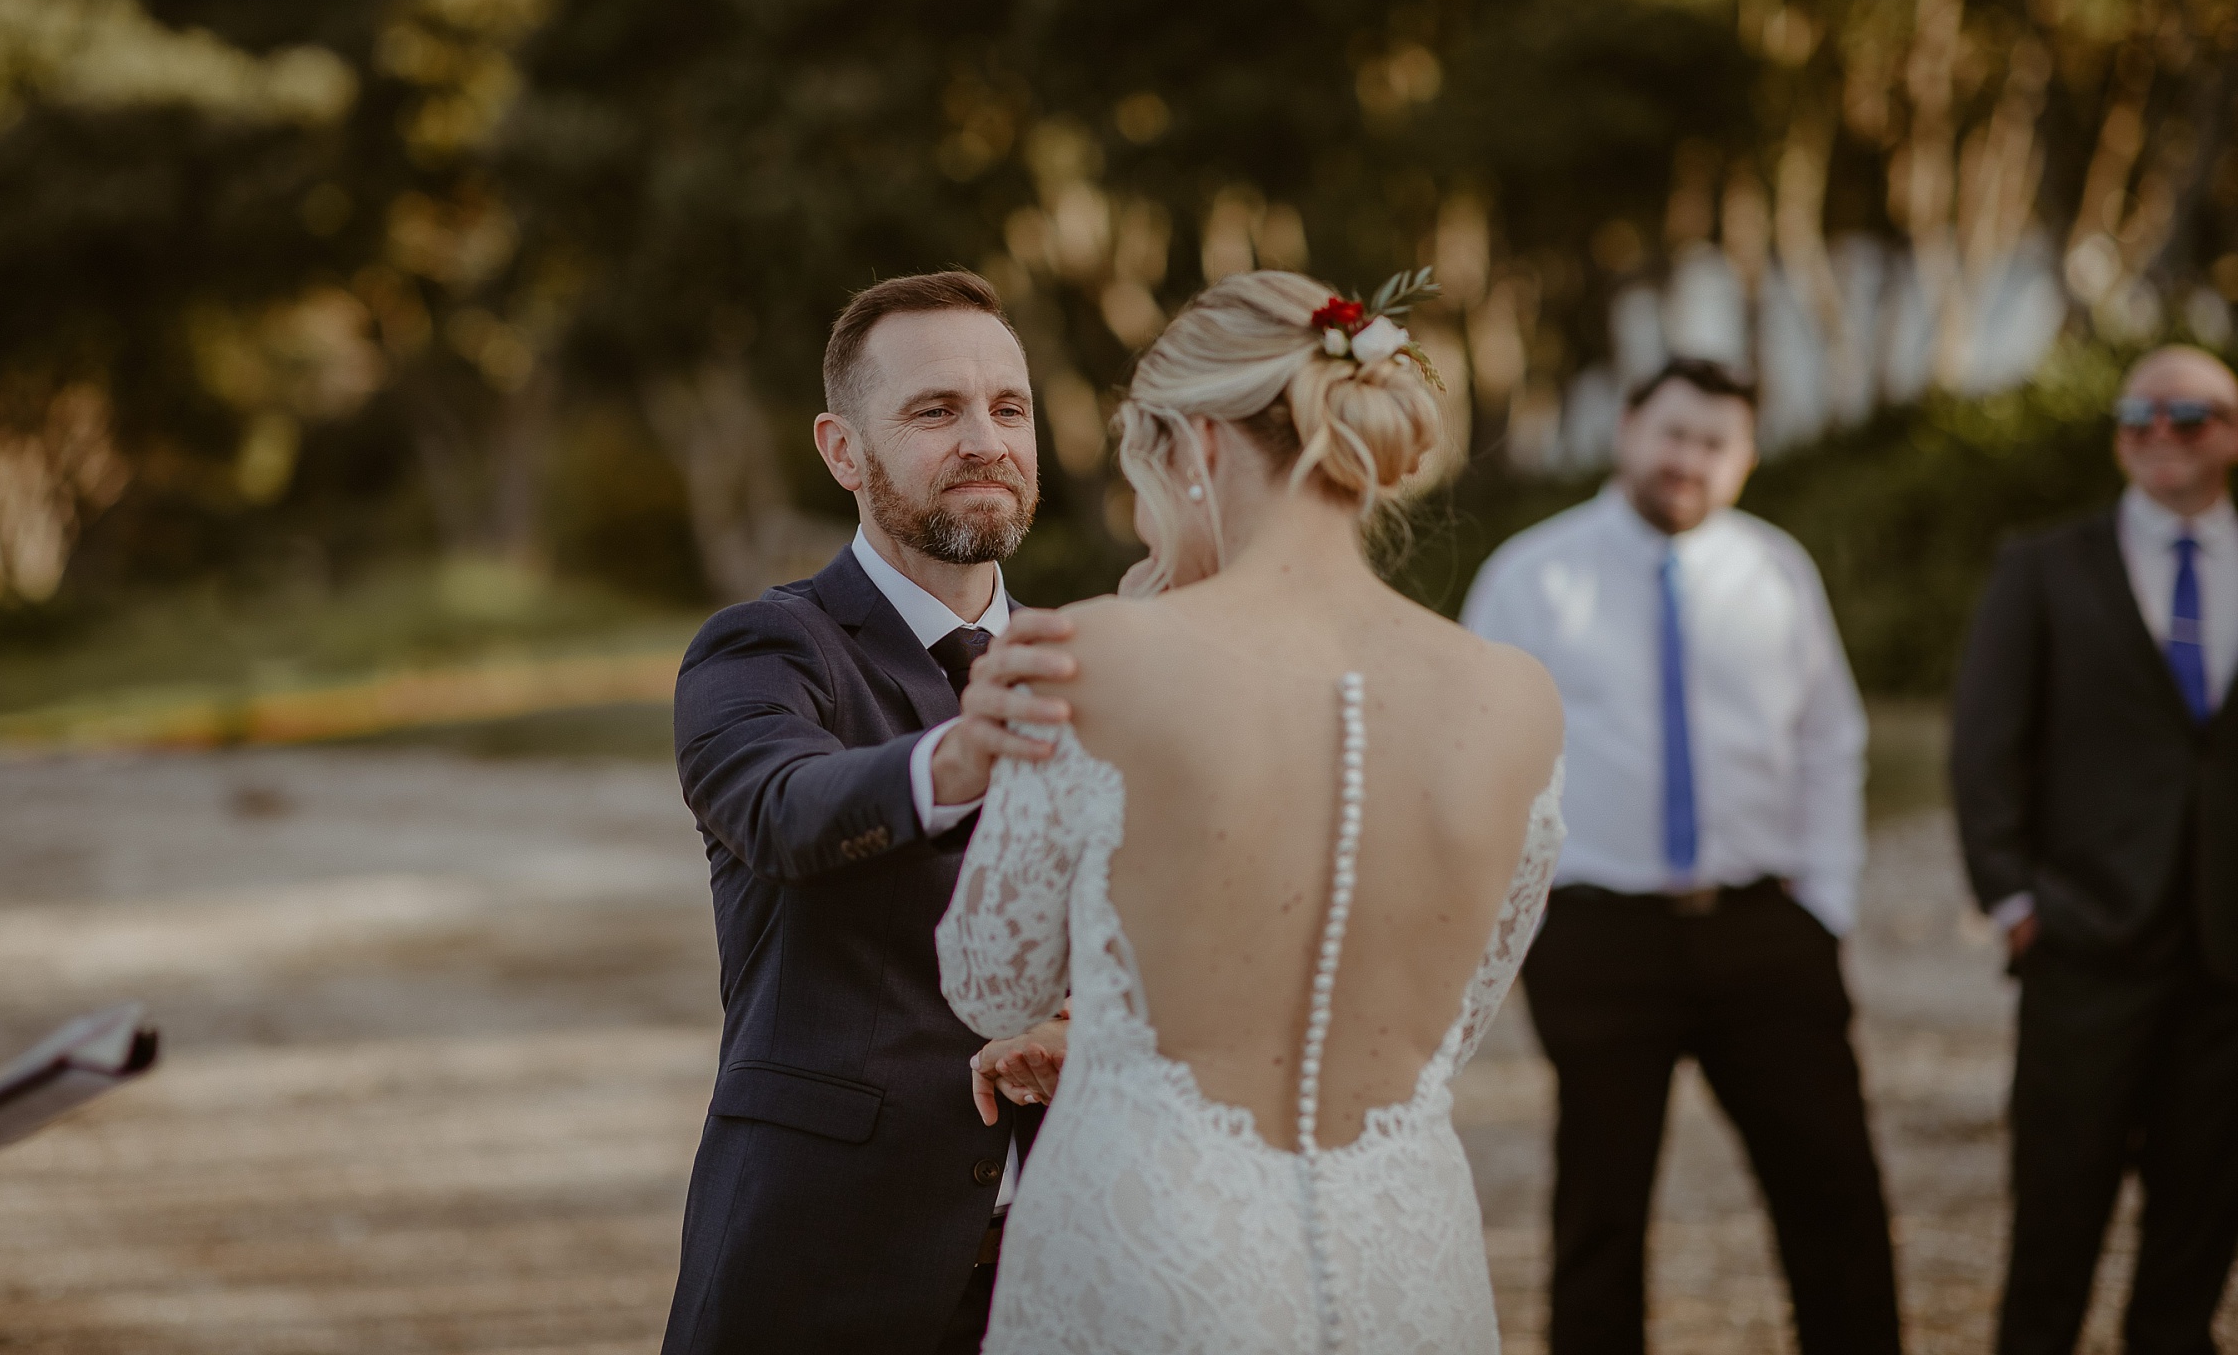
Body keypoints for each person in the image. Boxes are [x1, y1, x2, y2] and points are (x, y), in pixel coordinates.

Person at [936, 269, 1567, 1353]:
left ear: (1198, 450)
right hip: (1406, 1258)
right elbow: (1450, 1024)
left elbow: (992, 980)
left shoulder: (1097, 652)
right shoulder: (1515, 696)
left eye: (1144, 472)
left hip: (1152, 1247)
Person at [663, 270, 1070, 1355]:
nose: (985, 439)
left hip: (1072, 1268)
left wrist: (1095, 1026)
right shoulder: (764, 648)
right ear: (843, 451)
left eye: (1010, 408)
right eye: (936, 410)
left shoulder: (1092, 661)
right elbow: (785, 808)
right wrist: (963, 754)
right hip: (823, 1269)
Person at [1462, 356, 1903, 1355]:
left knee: (1834, 1187)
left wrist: (1825, 899)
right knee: (1602, 1209)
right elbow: (1477, 758)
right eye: (1672, 434)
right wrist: (1519, 926)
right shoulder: (1533, 576)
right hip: (1598, 935)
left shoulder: (1777, 570)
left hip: (1766, 925)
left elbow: (1832, 739)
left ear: (1744, 457)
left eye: (1715, 442)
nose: (1688, 459)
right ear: (1628, 431)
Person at [1952, 344, 2238, 1355]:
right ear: (2119, 436)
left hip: (2228, 967)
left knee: (2197, 1241)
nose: (2161, 430)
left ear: (2231, 435)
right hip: (2081, 948)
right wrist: (2015, 904)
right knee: (2054, 1238)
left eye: (2189, 415)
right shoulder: (2043, 564)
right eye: (2139, 414)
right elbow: (1984, 747)